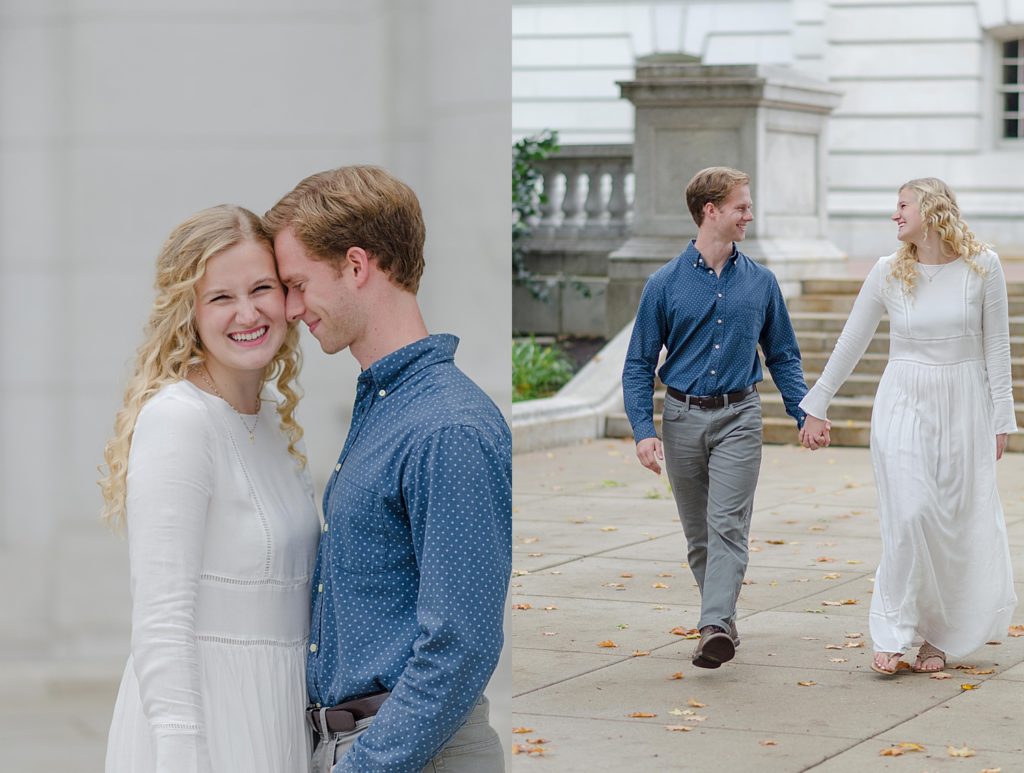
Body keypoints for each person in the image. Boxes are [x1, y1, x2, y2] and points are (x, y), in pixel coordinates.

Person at [265, 165, 511, 772]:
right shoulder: (387, 406)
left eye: (298, 284)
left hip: (408, 756)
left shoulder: (446, 426)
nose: (291, 309)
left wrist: (361, 767)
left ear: (356, 265)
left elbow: (461, 644)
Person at [100, 205, 321, 773]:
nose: (247, 312)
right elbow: (161, 616)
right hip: (208, 722)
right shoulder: (179, 420)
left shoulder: (271, 417)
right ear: (189, 313)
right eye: (221, 297)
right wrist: (180, 752)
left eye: (262, 288)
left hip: (279, 711)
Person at [800, 177, 1017, 675]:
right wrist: (817, 404)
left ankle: (937, 638)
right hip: (902, 400)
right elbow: (851, 342)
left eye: (902, 206)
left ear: (931, 209)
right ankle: (894, 630)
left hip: (964, 402)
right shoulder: (887, 272)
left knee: (952, 525)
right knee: (909, 515)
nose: (894, 215)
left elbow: (997, 347)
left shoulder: (983, 266)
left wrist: (1002, 418)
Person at [622, 166, 820, 670]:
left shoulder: (761, 282)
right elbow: (640, 363)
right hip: (682, 418)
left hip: (740, 416)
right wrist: (644, 431)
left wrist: (804, 413)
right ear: (711, 211)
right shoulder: (663, 284)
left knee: (728, 524)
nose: (749, 215)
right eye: (741, 207)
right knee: (699, 537)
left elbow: (784, 356)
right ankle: (724, 617)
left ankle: (712, 626)